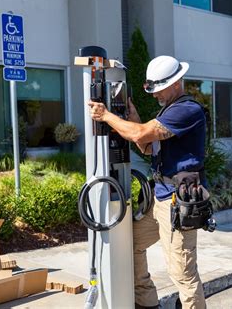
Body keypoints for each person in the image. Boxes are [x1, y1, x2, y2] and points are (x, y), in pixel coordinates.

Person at [88, 55, 206, 309]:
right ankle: (146, 303)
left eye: (158, 88)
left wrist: (107, 116)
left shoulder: (187, 110)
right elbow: (147, 147)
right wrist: (133, 117)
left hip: (178, 202)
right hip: (160, 198)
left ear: (176, 83)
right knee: (131, 245)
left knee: (182, 272)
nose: (155, 94)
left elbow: (140, 134)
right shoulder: (169, 110)